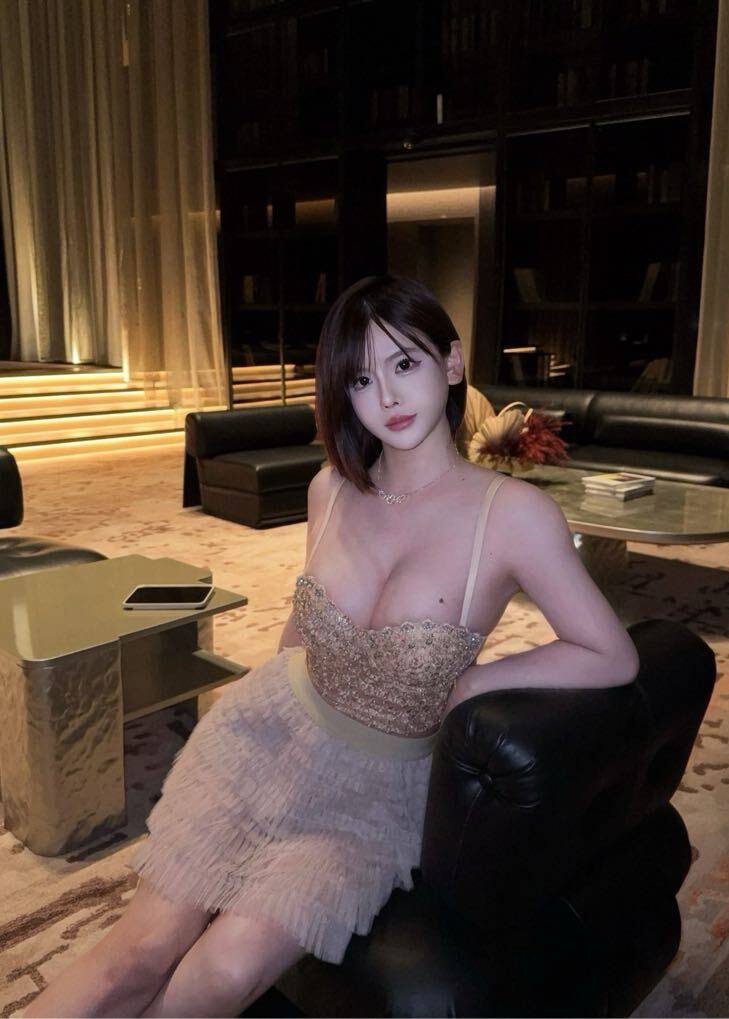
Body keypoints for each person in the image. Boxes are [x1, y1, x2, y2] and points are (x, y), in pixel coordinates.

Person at [24, 274, 639, 1018]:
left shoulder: (511, 515)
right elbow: (300, 631)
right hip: (267, 731)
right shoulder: (331, 489)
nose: (387, 396)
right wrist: (251, 713)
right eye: (360, 378)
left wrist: (476, 683)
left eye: (404, 363)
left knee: (221, 973)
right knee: (137, 951)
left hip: (373, 797)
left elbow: (609, 653)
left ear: (451, 362)